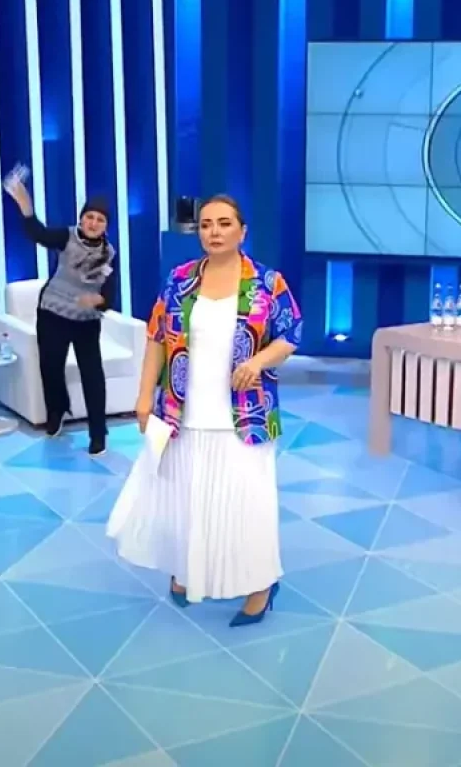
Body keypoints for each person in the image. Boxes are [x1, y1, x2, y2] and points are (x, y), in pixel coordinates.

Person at [106, 195, 303, 627]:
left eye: (224, 223)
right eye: (206, 224)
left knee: (246, 506)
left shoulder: (267, 283)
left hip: (245, 417)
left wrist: (257, 362)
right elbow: (157, 338)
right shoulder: (179, 280)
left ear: (242, 231)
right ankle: (188, 570)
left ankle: (260, 585)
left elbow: (290, 335)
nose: (214, 231)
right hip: (182, 414)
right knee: (187, 501)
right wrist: (143, 397)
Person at [6, 177, 116, 456]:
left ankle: (98, 432)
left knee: (93, 375)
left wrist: (98, 300)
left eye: (100, 220)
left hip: (86, 321)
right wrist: (25, 206)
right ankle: (56, 412)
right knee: (51, 368)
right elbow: (38, 233)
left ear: (106, 226)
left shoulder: (109, 254)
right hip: (52, 313)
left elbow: (110, 295)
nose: (93, 223)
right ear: (81, 219)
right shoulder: (66, 237)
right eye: (89, 217)